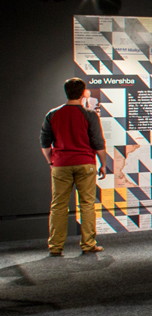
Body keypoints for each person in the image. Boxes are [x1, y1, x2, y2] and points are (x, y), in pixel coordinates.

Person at [40, 77, 106, 256]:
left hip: (61, 165)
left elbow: (45, 143)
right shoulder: (90, 115)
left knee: (58, 206)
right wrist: (104, 164)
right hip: (85, 163)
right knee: (87, 204)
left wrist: (51, 161)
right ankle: (88, 244)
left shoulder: (52, 114)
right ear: (84, 93)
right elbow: (98, 143)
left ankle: (55, 247)